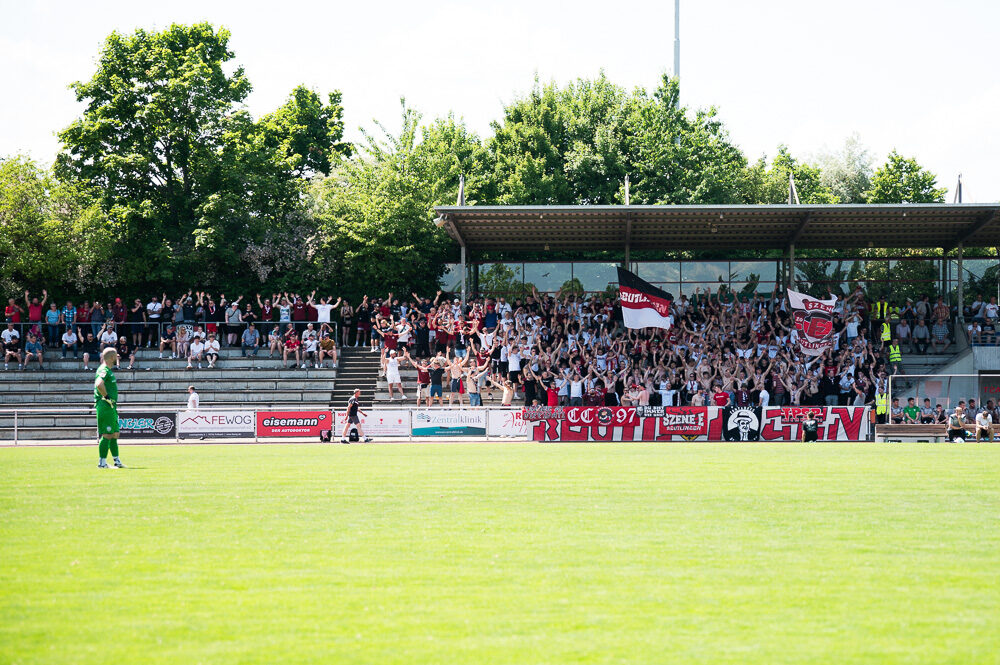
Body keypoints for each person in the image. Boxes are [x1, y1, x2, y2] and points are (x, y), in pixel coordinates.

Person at [94, 347, 124, 468]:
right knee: (107, 434)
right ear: (112, 357)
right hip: (105, 405)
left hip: (111, 406)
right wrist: (106, 397)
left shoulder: (108, 370)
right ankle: (102, 463)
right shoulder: (104, 370)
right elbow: (99, 384)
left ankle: (116, 460)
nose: (118, 357)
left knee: (115, 433)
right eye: (116, 355)